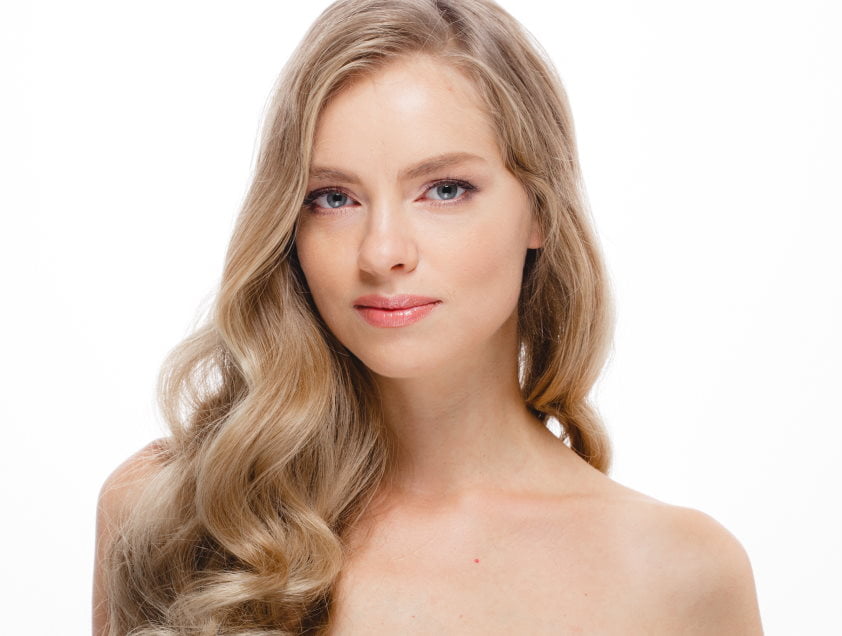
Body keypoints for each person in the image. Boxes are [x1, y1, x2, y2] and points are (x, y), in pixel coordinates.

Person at [93, 0, 763, 633]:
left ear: (538, 210)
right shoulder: (167, 510)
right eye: (333, 197)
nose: (382, 251)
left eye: (444, 190)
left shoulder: (679, 576)